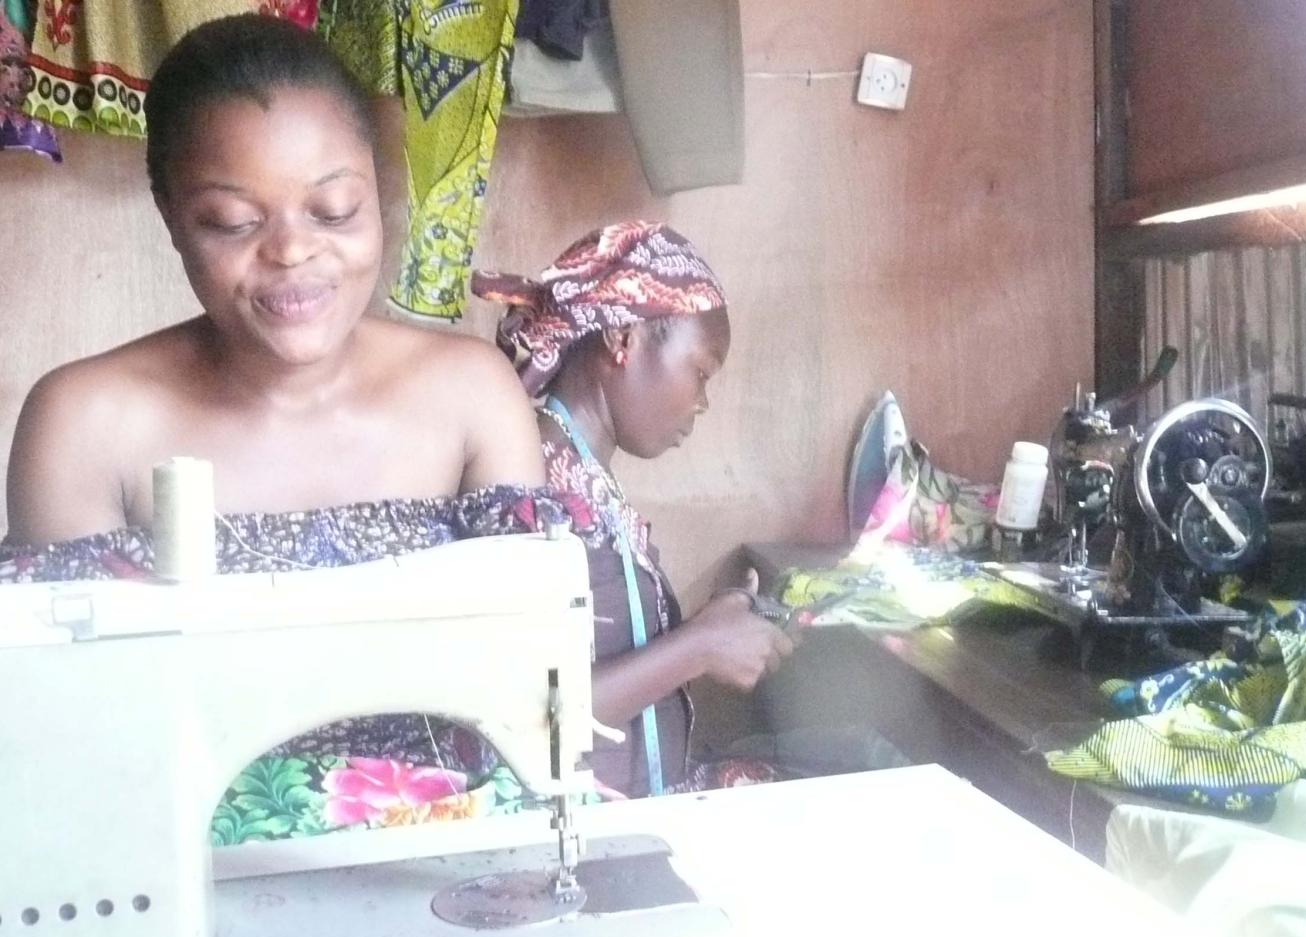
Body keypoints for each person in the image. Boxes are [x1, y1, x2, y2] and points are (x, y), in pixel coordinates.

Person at [0, 15, 562, 844]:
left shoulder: (471, 398)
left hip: (457, 855)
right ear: (171, 217)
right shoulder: (88, 426)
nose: (293, 252)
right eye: (234, 221)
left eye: (335, 210)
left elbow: (533, 684)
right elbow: (77, 741)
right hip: (182, 870)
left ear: (378, 191)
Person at [472, 222, 813, 798]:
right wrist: (699, 646)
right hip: (577, 825)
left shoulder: (580, 474)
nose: (702, 402)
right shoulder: (534, 482)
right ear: (623, 338)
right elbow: (525, 716)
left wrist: (717, 625)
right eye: (701, 372)